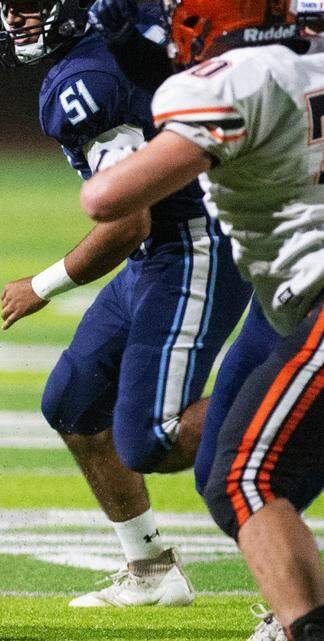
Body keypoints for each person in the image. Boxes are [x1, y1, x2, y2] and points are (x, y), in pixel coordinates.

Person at [0, 0, 252, 607]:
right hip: (156, 255)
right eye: (8, 8)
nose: (16, 21)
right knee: (73, 402)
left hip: (191, 248)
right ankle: (153, 569)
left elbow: (129, 220)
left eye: (32, 6)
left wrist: (42, 284)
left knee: (151, 438)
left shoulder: (86, 82)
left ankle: (290, 402)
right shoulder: (100, 53)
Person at [78, 0, 324, 637]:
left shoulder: (227, 83)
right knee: (231, 471)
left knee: (246, 477)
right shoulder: (307, 63)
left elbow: (105, 198)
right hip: (298, 309)